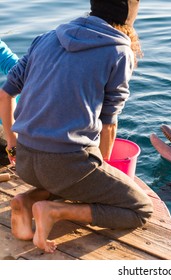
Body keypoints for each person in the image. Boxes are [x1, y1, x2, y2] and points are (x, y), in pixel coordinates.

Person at [0, 0, 153, 253]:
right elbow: (108, 123)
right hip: (66, 166)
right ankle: (54, 210)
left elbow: (5, 95)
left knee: (68, 178)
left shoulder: (46, 38)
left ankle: (26, 199)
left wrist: (13, 143)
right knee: (140, 209)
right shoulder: (119, 50)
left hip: (25, 161)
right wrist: (102, 166)